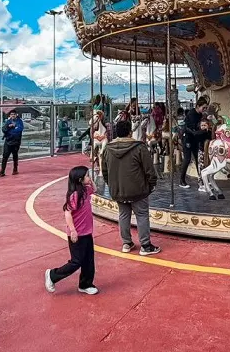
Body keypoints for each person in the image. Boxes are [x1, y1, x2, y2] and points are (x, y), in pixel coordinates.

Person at [102, 119, 161, 255]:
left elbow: (105, 171)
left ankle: (126, 242)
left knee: (123, 215)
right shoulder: (139, 147)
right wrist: (151, 184)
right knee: (142, 215)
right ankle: (145, 245)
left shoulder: (108, 149)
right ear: (130, 132)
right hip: (137, 189)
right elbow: (149, 169)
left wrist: (112, 184)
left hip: (118, 189)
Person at [44, 166, 98, 295]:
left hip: (87, 232)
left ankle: (85, 284)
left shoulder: (86, 190)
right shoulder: (75, 195)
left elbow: (95, 190)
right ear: (80, 179)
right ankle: (53, 275)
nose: (89, 177)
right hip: (77, 234)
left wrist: (90, 181)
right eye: (87, 175)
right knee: (76, 261)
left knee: (89, 260)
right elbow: (67, 212)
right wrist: (73, 230)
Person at [178, 97, 210, 189]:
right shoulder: (192, 114)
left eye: (206, 108)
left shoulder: (200, 115)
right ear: (198, 106)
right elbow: (193, 129)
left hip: (194, 139)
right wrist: (202, 131)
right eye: (203, 107)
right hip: (188, 138)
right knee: (187, 159)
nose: (204, 109)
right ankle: (182, 180)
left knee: (198, 159)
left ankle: (202, 179)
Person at [0, 110, 24, 177]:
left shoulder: (19, 122)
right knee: (5, 156)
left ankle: (15, 169)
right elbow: (3, 129)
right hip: (8, 141)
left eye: (14, 114)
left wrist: (11, 130)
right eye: (11, 114)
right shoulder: (8, 121)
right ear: (10, 115)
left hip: (16, 142)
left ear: (16, 115)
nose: (13, 115)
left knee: (15, 155)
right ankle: (2, 171)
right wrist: (9, 127)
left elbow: (19, 130)